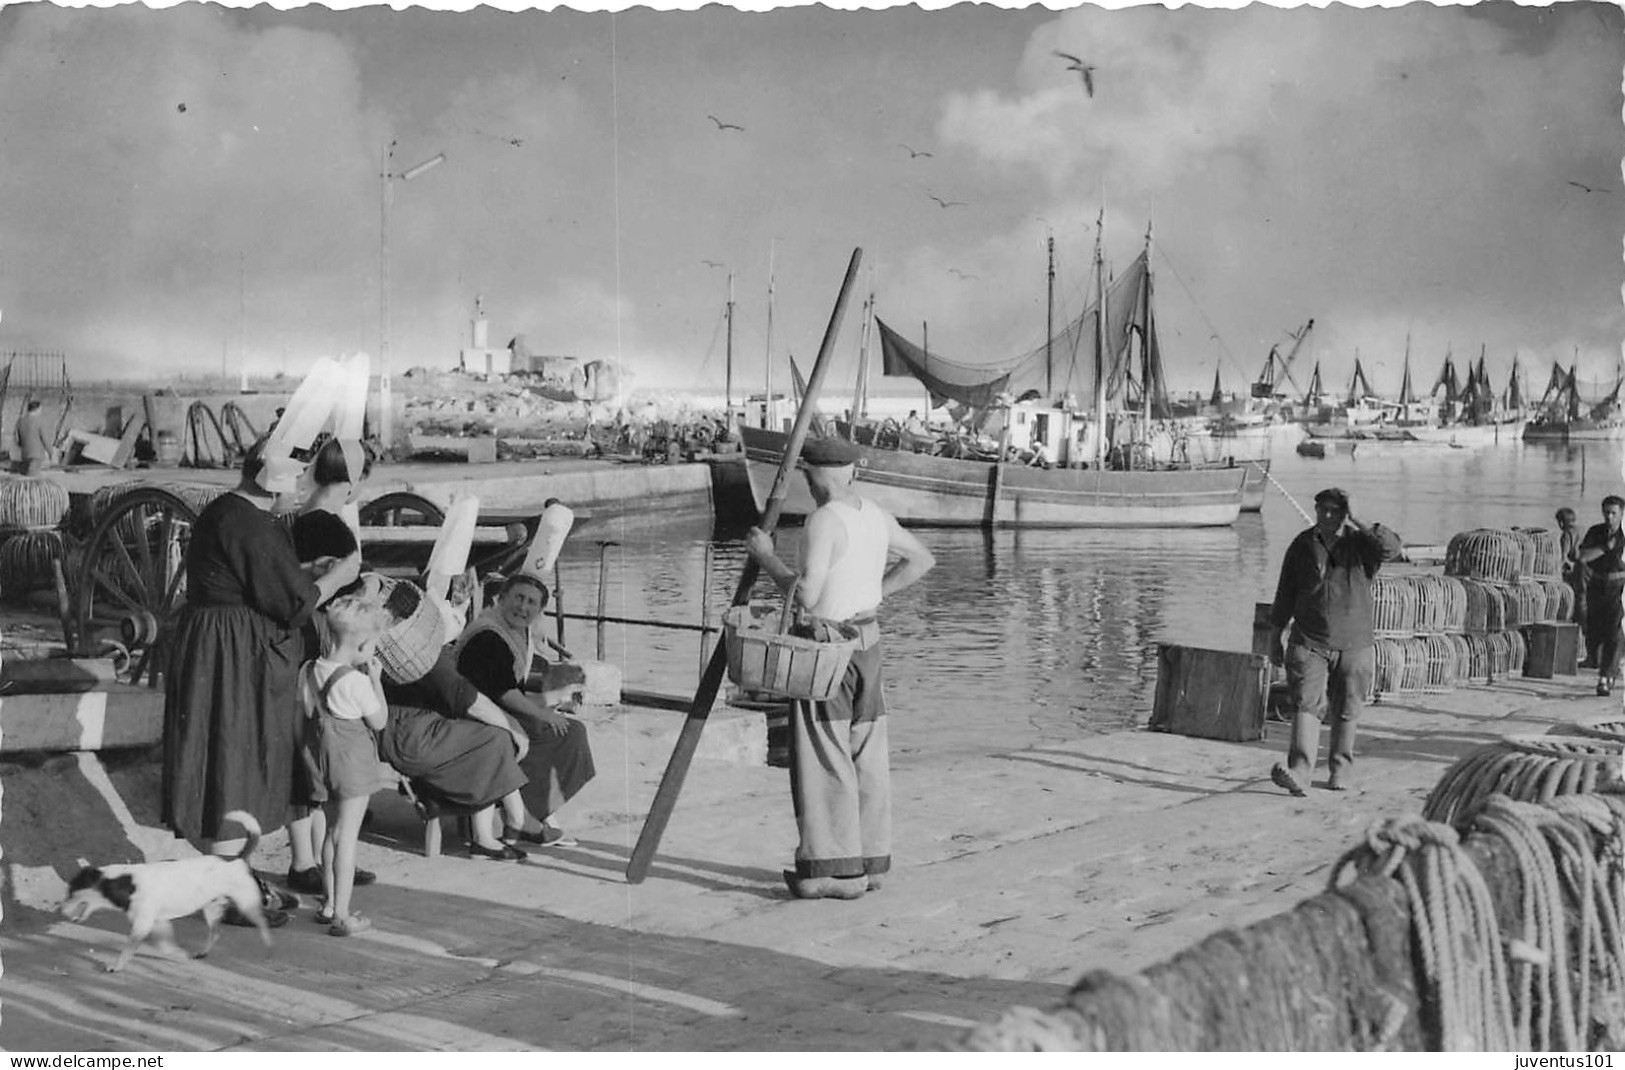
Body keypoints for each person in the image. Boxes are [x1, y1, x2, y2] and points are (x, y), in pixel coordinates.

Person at [162, 438, 361, 926]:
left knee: (229, 756)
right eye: (296, 479)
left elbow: (264, 580)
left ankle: (232, 874)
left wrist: (303, 575)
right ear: (276, 479)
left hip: (220, 644)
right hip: (233, 654)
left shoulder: (230, 513)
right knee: (236, 757)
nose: (299, 490)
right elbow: (291, 603)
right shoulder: (252, 524)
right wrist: (337, 577)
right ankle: (228, 889)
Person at [744, 436, 935, 900]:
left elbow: (807, 596)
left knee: (822, 750)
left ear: (817, 474)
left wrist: (766, 555)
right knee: (866, 749)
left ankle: (833, 871)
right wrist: (872, 594)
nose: (806, 480)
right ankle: (871, 862)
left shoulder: (823, 521)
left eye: (808, 473)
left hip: (828, 648)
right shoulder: (874, 514)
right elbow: (921, 559)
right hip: (868, 640)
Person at [374, 577, 536, 860]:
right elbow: (468, 700)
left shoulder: (403, 650)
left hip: (400, 731)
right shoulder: (432, 657)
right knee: (494, 736)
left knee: (489, 734)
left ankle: (493, 832)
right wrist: (513, 727)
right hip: (411, 737)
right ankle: (507, 824)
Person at [283, 437, 378, 896]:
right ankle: (326, 861)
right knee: (326, 749)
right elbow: (347, 597)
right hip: (326, 640)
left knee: (301, 748)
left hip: (295, 640)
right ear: (353, 481)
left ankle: (305, 858)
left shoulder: (297, 520)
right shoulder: (337, 530)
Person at [1266, 488, 1403, 796]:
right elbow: (1285, 592)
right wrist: (1275, 636)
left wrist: (1359, 518)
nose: (1328, 516)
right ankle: (1300, 771)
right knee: (1305, 702)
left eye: (1336, 511)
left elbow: (1392, 549)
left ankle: (1340, 769)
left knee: (1347, 705)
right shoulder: (1302, 545)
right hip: (1309, 639)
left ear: (1344, 514)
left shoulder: (1362, 545)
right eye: (1323, 510)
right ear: (1315, 510)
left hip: (1354, 641)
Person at [454, 572, 595, 847]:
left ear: (540, 610)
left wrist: (554, 699)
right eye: (518, 598)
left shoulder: (517, 630)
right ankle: (523, 816)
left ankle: (531, 810)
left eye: (532, 602)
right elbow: (504, 693)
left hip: (495, 709)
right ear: (502, 598)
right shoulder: (489, 635)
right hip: (474, 716)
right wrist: (544, 712)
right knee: (563, 734)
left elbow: (510, 690)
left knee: (571, 732)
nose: (523, 607)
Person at [298, 588, 389, 936]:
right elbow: (379, 722)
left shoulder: (309, 670)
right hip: (352, 761)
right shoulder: (357, 681)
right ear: (363, 645)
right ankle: (344, 915)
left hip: (321, 759)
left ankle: (328, 903)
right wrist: (376, 682)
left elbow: (305, 711)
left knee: (332, 832)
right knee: (348, 838)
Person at [1577, 495, 1625, 695]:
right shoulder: (1596, 532)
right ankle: (1608, 669)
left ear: (1622, 514)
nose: (1609, 517)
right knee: (1596, 631)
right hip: (1597, 585)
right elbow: (1583, 558)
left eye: (1614, 513)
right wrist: (1606, 547)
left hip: (1619, 586)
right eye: (1606, 513)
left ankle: (1605, 677)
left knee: (1614, 631)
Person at [1557, 507, 1589, 644]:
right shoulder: (1583, 529)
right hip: (1591, 566)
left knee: (1578, 596)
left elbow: (1563, 557)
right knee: (1587, 596)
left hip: (1581, 567)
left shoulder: (1567, 534)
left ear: (1561, 522)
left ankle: (1580, 626)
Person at [13, 398, 53, 475]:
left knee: (25, 477)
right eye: (40, 409)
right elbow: (45, 439)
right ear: (37, 409)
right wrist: (51, 452)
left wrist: (24, 445)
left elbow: (17, 439)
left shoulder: (20, 421)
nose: (41, 411)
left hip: (24, 455)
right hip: (37, 455)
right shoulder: (40, 421)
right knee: (33, 479)